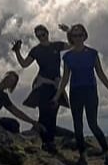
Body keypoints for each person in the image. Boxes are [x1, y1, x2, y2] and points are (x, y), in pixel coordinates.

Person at [54, 23, 108, 165]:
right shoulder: (68, 57)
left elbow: (100, 73)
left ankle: (107, 155)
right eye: (75, 35)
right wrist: (57, 95)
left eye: (80, 35)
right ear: (71, 38)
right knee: (78, 125)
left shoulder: (92, 53)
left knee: (93, 124)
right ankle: (82, 157)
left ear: (85, 36)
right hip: (75, 92)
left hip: (90, 92)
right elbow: (65, 78)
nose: (78, 38)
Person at [13, 24, 70, 152]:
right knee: (44, 114)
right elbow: (24, 64)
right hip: (42, 86)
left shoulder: (56, 45)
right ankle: (46, 143)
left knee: (53, 114)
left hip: (56, 86)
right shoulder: (35, 50)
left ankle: (50, 142)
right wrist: (17, 51)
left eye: (42, 34)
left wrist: (68, 31)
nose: (41, 37)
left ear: (47, 33)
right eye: (38, 36)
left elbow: (72, 45)